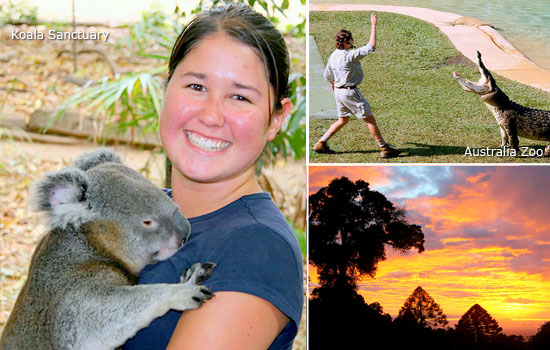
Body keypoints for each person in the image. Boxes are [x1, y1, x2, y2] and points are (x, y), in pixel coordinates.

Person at [124, 4, 303, 350]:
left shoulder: (256, 248)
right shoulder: (138, 217)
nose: (210, 115)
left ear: (277, 119)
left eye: (239, 96)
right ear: (167, 87)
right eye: (196, 86)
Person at [313, 12, 401, 159]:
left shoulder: (334, 55)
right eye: (351, 39)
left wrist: (335, 90)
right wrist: (373, 25)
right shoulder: (349, 55)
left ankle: (321, 143)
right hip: (350, 92)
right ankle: (384, 148)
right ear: (347, 42)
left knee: (343, 119)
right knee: (369, 119)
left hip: (339, 93)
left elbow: (328, 77)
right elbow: (371, 46)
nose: (353, 41)